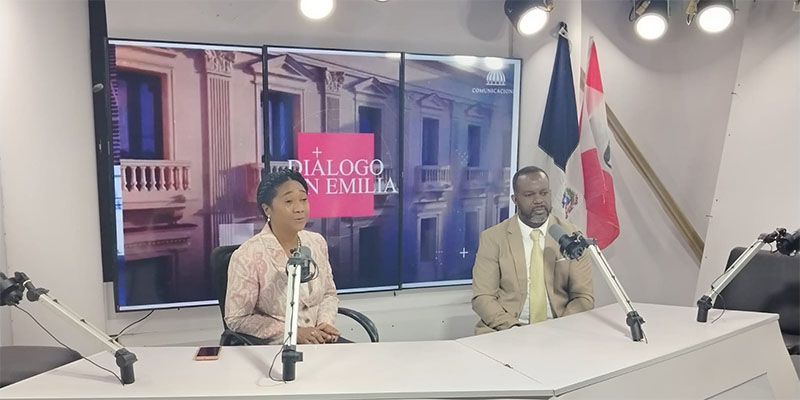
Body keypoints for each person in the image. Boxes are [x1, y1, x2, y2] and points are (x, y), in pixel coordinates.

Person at [471, 166, 594, 335]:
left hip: (561, 329)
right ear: (515, 199)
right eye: (529, 195)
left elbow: (583, 296)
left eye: (543, 193)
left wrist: (560, 329)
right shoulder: (492, 238)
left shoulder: (572, 236)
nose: (538, 200)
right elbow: (483, 297)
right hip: (506, 329)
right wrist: (515, 329)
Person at [225, 169, 340, 344]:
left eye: (303, 200)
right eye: (289, 201)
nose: (299, 208)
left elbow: (329, 294)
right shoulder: (247, 255)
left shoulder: (317, 242)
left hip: (320, 342)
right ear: (267, 209)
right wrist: (292, 332)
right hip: (277, 349)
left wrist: (325, 324)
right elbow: (237, 318)